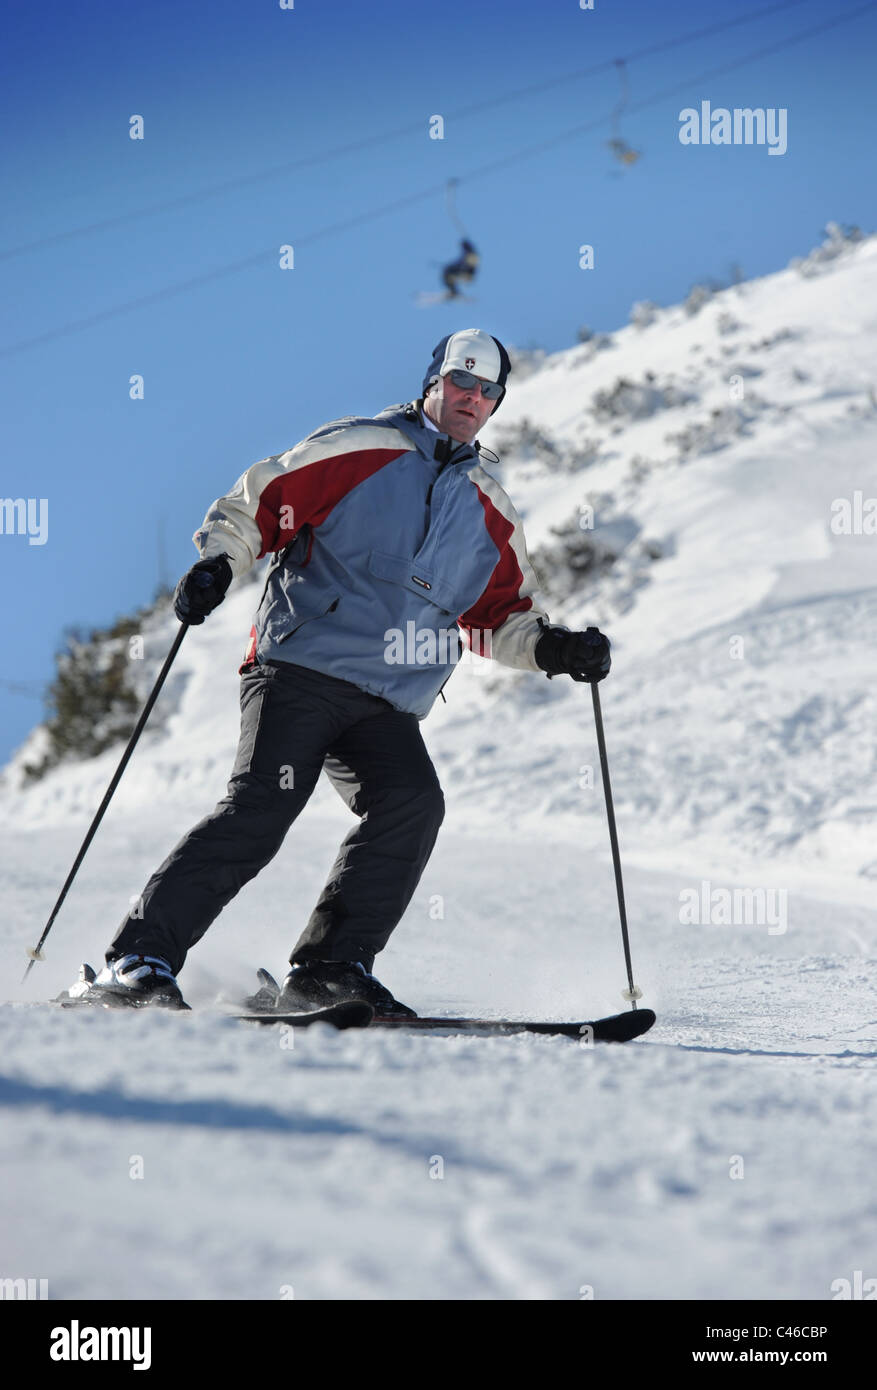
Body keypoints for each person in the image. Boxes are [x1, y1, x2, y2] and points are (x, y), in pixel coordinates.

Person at [76, 329, 611, 1015]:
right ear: (432, 384)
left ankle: (331, 967)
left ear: (496, 403)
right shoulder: (364, 448)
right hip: (300, 667)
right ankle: (137, 959)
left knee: (411, 804)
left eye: (486, 391)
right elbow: (259, 505)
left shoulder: (490, 512)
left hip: (384, 701)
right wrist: (218, 563)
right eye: (459, 383)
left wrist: (555, 651)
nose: (470, 399)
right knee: (262, 809)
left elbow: (495, 616)